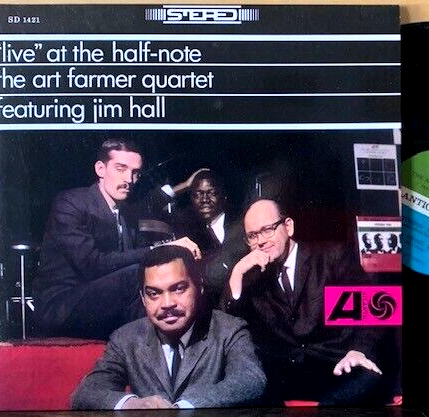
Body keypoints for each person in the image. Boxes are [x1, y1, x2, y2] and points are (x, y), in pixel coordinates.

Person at [34, 139, 202, 340]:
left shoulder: (125, 211)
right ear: (100, 169)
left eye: (135, 172)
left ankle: (166, 346)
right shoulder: (71, 203)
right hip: (61, 306)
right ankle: (156, 348)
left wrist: (186, 186)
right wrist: (163, 248)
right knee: (135, 274)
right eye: (121, 169)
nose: (129, 179)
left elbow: (152, 201)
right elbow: (92, 265)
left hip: (103, 301)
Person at [221, 199, 385, 405]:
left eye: (267, 230)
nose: (261, 241)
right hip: (283, 375)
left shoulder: (331, 258)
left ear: (288, 226)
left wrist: (357, 351)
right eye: (253, 236)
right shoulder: (253, 278)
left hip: (336, 365)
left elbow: (373, 312)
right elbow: (227, 325)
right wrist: (237, 273)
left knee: (367, 379)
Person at [71, 245, 266, 409]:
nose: (167, 303)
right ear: (143, 299)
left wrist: (184, 407)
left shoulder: (228, 330)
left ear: (199, 288)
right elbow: (86, 392)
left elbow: (250, 380)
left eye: (178, 289)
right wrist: (131, 404)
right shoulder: (126, 339)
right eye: (154, 293)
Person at [172, 170, 247, 294]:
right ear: (191, 199)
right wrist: (185, 185)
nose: (204, 199)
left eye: (212, 193)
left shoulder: (241, 223)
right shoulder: (186, 232)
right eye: (198, 194)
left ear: (224, 196)